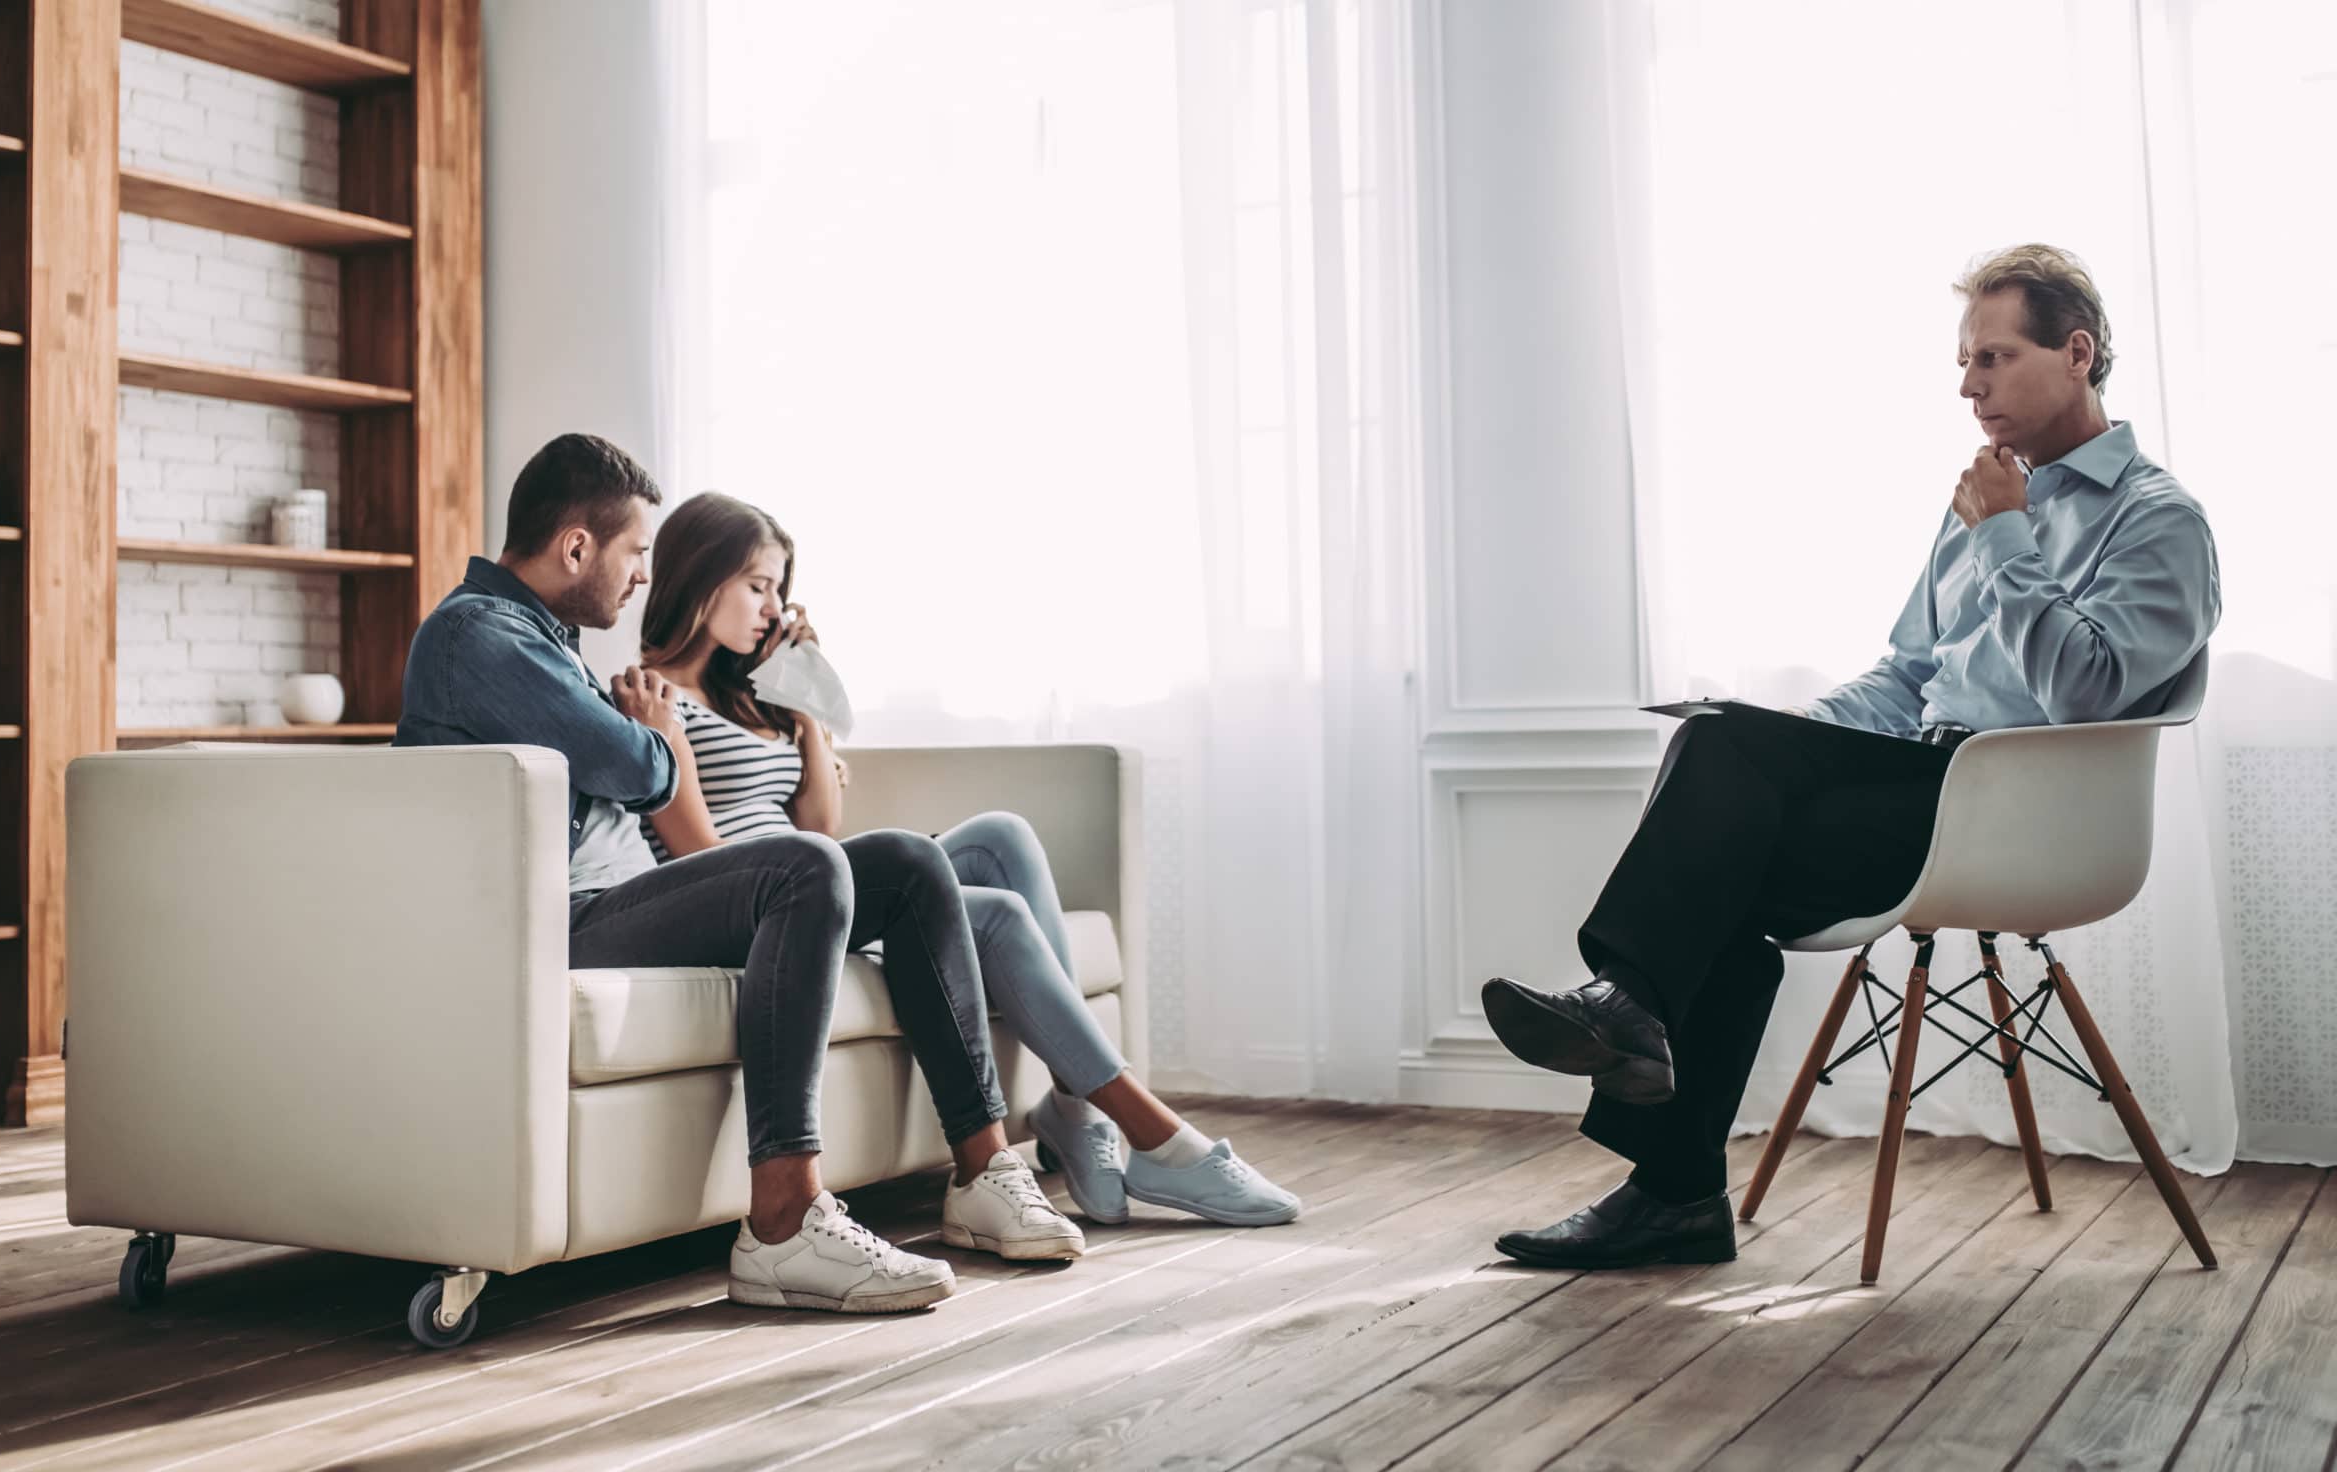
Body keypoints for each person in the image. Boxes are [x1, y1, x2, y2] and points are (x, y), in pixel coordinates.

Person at [1480, 244, 2222, 1269]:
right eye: (1964, 364)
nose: (1968, 388)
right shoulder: (1979, 507)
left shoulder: (2155, 519)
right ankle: (1661, 1135)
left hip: (2023, 813)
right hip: (1917, 786)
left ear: (2078, 353)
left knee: (1715, 853)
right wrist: (1794, 733)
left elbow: (2086, 692)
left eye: (1994, 358)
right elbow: (1908, 673)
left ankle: (1656, 1127)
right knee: (1719, 762)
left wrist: (2006, 536)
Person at [395, 432, 1078, 1316]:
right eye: (635, 551)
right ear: (576, 547)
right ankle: (785, 1225)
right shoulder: (480, 634)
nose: (642, 574)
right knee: (804, 867)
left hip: (617, 900)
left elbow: (635, 760)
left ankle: (983, 1172)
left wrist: (657, 735)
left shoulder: (543, 639)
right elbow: (638, 766)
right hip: (566, 918)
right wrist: (650, 736)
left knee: (906, 863)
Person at [634, 491, 1302, 1229]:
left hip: (826, 879)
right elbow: (698, 857)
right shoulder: (651, 701)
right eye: (758, 586)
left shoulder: (753, 701)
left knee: (1001, 837)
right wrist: (675, 742)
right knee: (996, 913)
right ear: (702, 576)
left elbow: (820, 823)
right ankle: (1154, 1134)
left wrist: (802, 694)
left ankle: (1077, 1108)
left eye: (778, 591)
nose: (772, 609)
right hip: (772, 907)